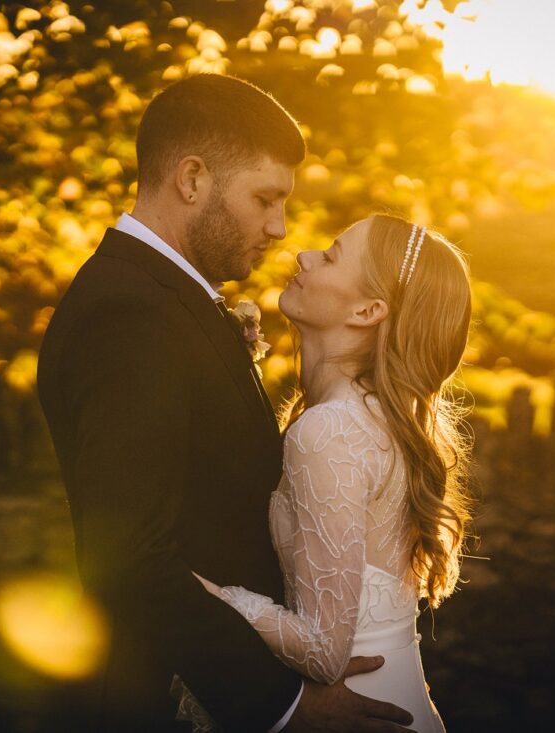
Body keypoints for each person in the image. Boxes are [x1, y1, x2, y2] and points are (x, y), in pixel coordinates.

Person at [36, 74, 414, 732]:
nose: (280, 227)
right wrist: (282, 705)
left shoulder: (164, 298)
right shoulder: (130, 315)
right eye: (265, 198)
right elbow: (126, 555)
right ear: (192, 179)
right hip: (158, 700)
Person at [183, 215, 475, 732]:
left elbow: (322, 652)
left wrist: (205, 593)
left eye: (332, 255)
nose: (304, 257)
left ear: (369, 310)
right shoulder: (377, 418)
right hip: (394, 700)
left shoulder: (331, 431)